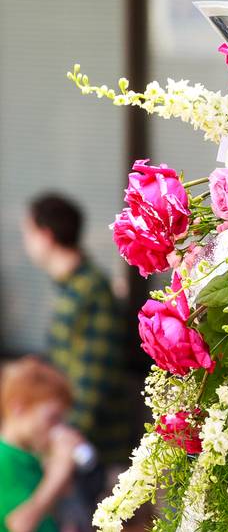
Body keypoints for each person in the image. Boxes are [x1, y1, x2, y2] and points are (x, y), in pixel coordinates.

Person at [19, 196, 138, 526]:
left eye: (27, 232)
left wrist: (62, 447)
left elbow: (91, 381)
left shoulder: (89, 291)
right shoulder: (72, 287)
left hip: (91, 451)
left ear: (46, 235)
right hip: (71, 443)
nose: (25, 243)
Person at [0, 357, 83, 532]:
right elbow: (20, 524)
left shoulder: (29, 456)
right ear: (19, 408)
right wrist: (58, 474)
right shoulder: (4, 459)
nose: (57, 429)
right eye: (52, 418)